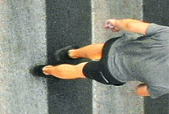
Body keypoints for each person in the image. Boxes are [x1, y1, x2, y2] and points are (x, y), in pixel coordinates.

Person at [38, 16, 169, 92]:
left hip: (116, 48)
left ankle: (72, 53)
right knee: (79, 71)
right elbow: (140, 91)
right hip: (112, 73)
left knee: (100, 49)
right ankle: (47, 70)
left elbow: (130, 25)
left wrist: (117, 23)